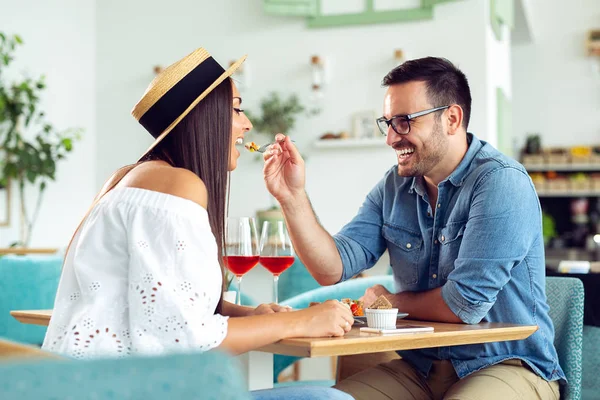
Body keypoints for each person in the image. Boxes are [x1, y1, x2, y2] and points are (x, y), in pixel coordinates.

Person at [42, 48, 353, 400]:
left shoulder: (125, 178)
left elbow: (162, 308)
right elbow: (183, 340)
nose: (247, 123)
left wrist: (252, 315)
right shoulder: (179, 186)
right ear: (205, 116)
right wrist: (301, 321)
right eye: (236, 108)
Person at [263, 57, 564, 400]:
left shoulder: (500, 182)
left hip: (505, 365)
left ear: (451, 119)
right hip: (420, 368)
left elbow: (464, 304)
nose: (391, 137)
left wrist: (388, 301)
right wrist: (292, 196)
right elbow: (331, 268)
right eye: (388, 123)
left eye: (404, 122)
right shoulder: (394, 186)